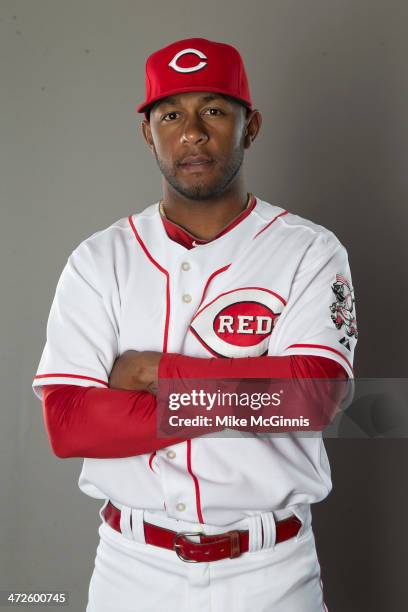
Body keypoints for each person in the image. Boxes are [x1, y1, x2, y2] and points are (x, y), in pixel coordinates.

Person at [32, 37, 358, 611]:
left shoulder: (309, 250)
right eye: (171, 114)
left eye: (213, 110)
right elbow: (69, 423)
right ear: (147, 131)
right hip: (130, 570)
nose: (192, 132)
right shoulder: (98, 259)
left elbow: (315, 397)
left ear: (250, 126)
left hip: (271, 573)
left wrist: (157, 375)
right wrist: (252, 392)